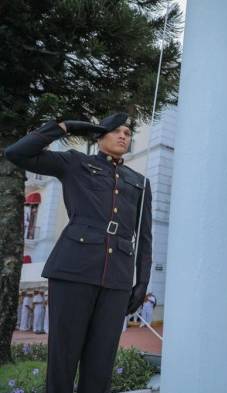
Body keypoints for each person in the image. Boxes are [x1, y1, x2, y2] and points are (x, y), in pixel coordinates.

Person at [5, 113, 153, 393]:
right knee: (64, 358)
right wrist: (62, 128)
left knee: (101, 364)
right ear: (99, 135)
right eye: (116, 130)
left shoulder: (140, 182)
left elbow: (145, 237)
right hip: (73, 270)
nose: (124, 136)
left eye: (128, 132)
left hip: (117, 278)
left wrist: (142, 281)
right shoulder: (76, 162)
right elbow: (16, 153)